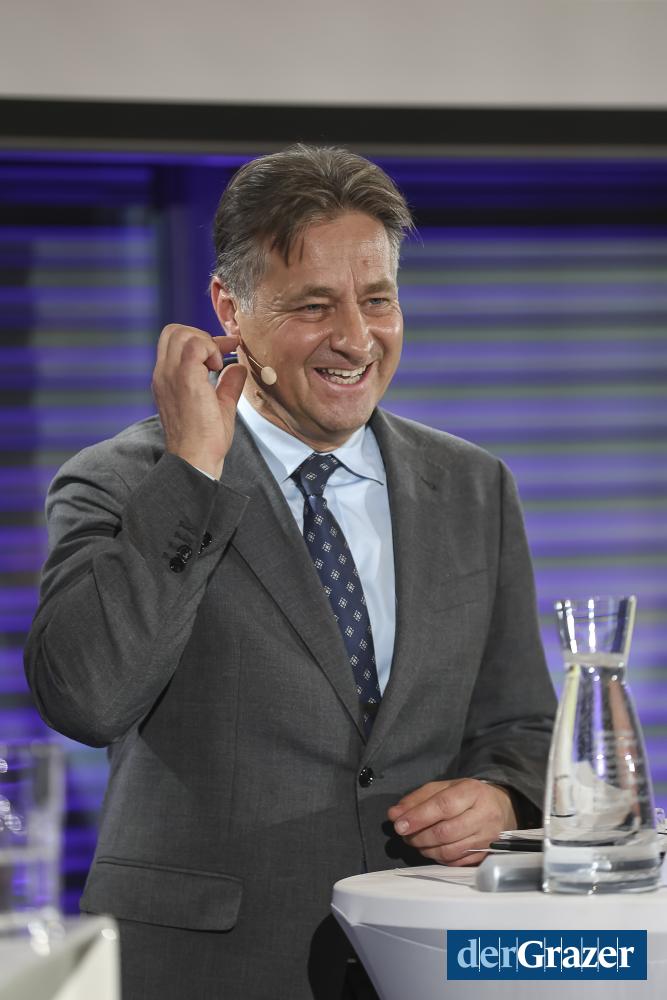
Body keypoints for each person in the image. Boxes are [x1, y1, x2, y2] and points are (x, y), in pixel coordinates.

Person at [25, 145, 556, 1000]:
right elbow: (85, 699)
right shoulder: (121, 481)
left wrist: (499, 798)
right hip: (206, 971)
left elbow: (523, 724)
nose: (355, 338)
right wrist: (193, 470)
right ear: (228, 307)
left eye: (376, 299)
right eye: (314, 305)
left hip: (430, 957)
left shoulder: (472, 485)